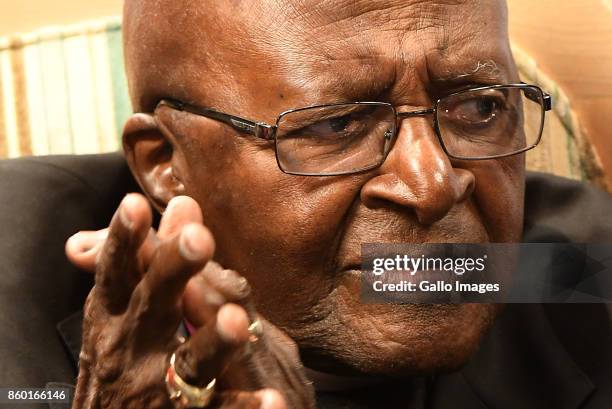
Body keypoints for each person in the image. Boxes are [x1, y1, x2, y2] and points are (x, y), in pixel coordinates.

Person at [1, 0, 612, 408]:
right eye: (338, 124)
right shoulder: (14, 297)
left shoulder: (576, 271)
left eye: (479, 107)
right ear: (166, 163)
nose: (433, 186)